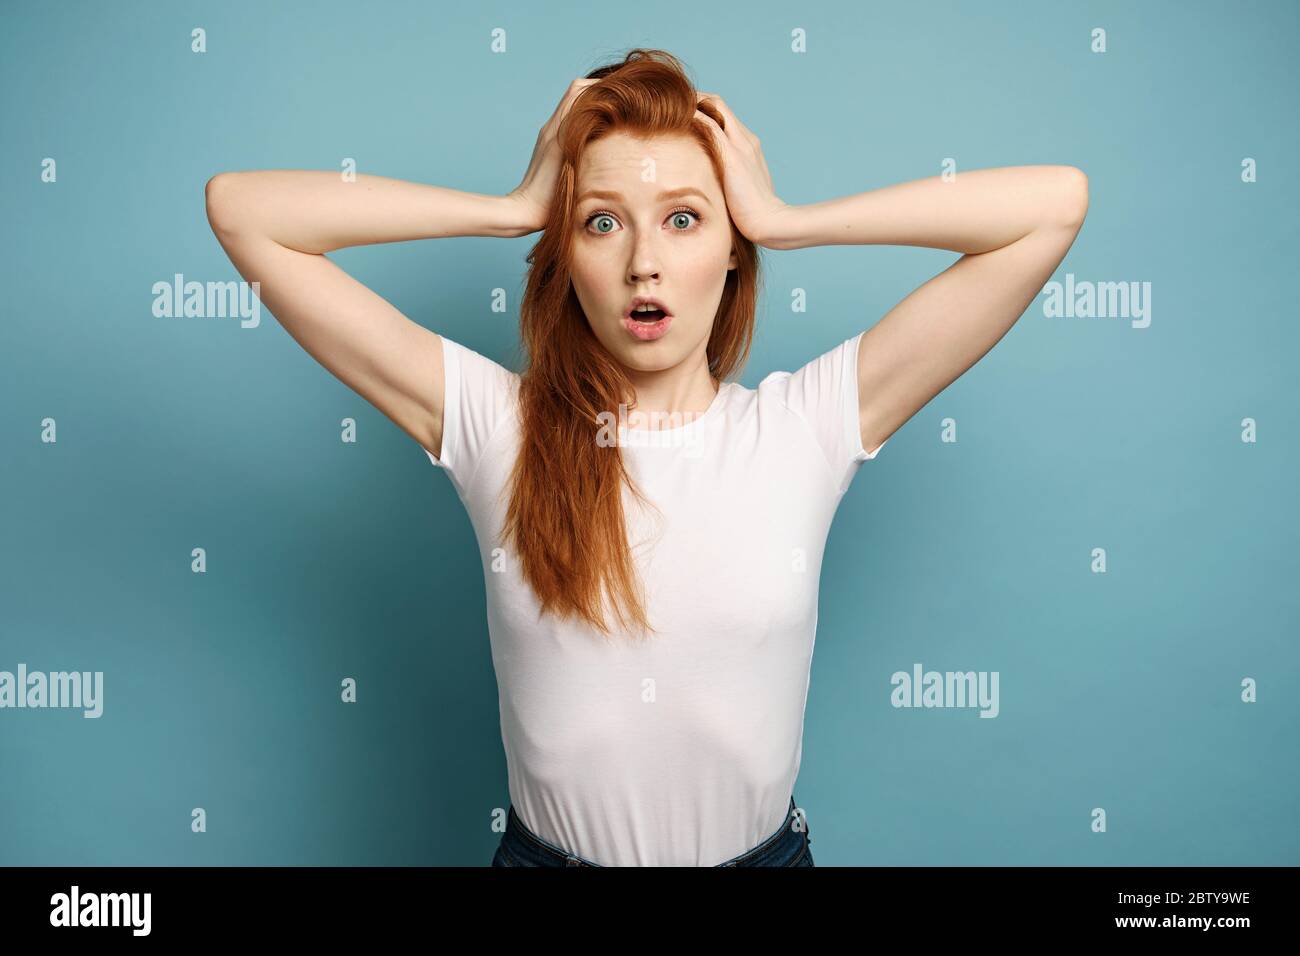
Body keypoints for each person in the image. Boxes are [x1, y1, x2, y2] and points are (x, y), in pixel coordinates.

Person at [204, 48, 1088, 867]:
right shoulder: (495, 424)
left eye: (683, 219)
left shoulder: (805, 427)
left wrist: (787, 220)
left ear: (731, 251)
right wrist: (515, 207)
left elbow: (1053, 207)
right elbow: (244, 214)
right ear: (567, 257)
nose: (645, 265)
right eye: (601, 223)